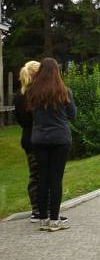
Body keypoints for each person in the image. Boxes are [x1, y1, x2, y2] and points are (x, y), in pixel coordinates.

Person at [13, 60, 68, 225]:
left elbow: (21, 120)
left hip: (31, 137)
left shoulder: (21, 95)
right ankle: (43, 211)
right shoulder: (36, 94)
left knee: (37, 175)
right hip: (40, 137)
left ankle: (40, 211)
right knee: (45, 176)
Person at [26, 58, 76, 232]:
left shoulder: (33, 91)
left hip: (39, 138)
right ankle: (55, 219)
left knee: (42, 179)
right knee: (56, 179)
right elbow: (72, 114)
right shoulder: (64, 91)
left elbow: (30, 114)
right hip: (60, 138)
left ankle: (42, 219)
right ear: (57, 72)